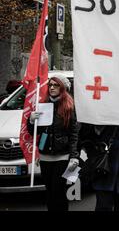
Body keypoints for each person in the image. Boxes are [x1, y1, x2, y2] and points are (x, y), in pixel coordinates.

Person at [28, 74, 79, 211]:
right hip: (45, 156)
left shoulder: (69, 107)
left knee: (59, 191)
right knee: (50, 192)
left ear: (62, 87)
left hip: (62, 156)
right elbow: (34, 132)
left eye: (55, 85)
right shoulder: (43, 105)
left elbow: (74, 133)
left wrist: (74, 156)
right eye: (50, 85)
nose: (51, 87)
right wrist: (31, 120)